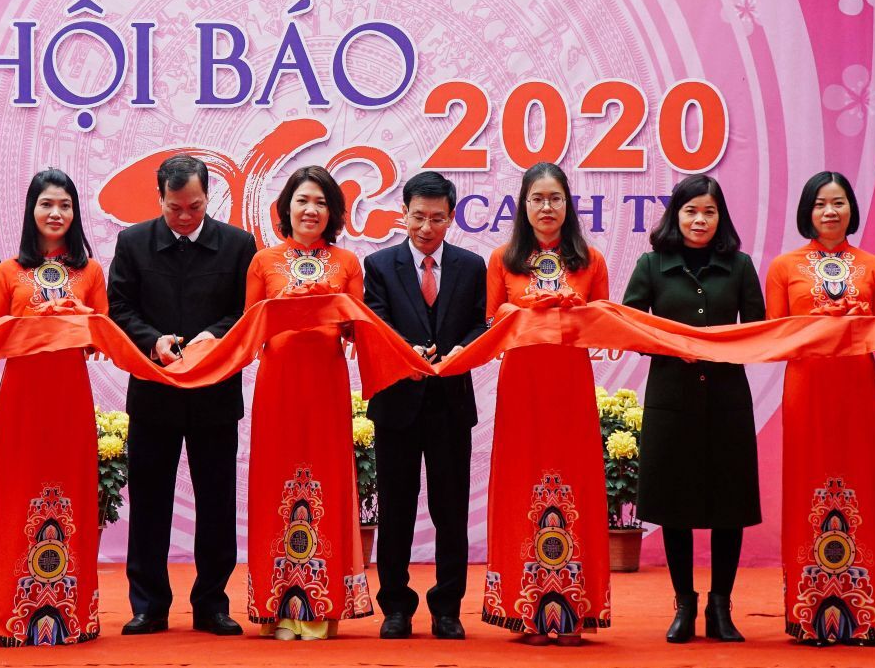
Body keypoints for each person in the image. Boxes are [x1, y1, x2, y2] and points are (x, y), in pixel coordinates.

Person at [108, 155, 256, 637]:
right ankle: (149, 605)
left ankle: (212, 603)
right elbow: (118, 307)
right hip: (155, 391)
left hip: (215, 394)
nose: (185, 217)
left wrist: (214, 335)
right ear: (160, 199)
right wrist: (153, 341)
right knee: (150, 502)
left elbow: (248, 310)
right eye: (175, 208)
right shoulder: (133, 243)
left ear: (208, 196)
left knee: (216, 502)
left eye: (194, 206)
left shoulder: (237, 245)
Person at [622, 174, 764, 644]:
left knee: (730, 506)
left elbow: (758, 330)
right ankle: (684, 604)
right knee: (674, 505)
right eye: (690, 211)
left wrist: (722, 347)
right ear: (676, 215)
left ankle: (721, 606)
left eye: (709, 211)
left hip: (727, 400)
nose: (700, 220)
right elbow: (630, 326)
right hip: (672, 400)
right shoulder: (651, 264)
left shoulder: (740, 265)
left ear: (720, 217)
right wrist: (670, 344)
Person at [482, 162, 611, 646]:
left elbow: (604, 326)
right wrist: (516, 310)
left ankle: (573, 610)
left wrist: (581, 311)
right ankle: (527, 610)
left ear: (567, 204)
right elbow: (490, 324)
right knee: (522, 486)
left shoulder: (590, 260)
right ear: (523, 205)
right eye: (537, 198)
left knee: (575, 486)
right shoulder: (503, 259)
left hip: (571, 388)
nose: (546, 207)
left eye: (555, 198)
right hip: (522, 389)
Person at [0, 170, 107, 646]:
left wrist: (81, 318)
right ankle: (9, 614)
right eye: (47, 204)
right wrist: (35, 322)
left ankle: (72, 613)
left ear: (75, 213)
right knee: (17, 494)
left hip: (70, 400)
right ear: (31, 210)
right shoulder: (7, 272)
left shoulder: (90, 272)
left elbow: (102, 339)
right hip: (22, 401)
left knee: (71, 493)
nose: (56, 213)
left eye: (65, 205)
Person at [244, 166, 373, 640]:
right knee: (274, 485)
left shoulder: (347, 262)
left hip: (326, 386)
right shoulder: (263, 261)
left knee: (327, 484)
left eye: (320, 202)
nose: (310, 210)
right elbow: (250, 328)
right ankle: (276, 607)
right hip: (278, 385)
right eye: (302, 200)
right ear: (286, 207)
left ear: (333, 211)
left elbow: (357, 329)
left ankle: (321, 606)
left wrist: (331, 308)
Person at [765, 171, 875, 645]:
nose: (830, 211)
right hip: (808, 390)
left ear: (851, 209)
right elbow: (773, 335)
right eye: (820, 203)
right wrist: (815, 325)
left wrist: (861, 322)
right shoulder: (784, 267)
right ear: (807, 211)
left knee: (863, 486)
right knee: (808, 485)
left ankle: (865, 615)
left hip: (858, 392)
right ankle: (809, 613)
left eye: (838, 202)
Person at [362, 171, 486, 641]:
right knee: (395, 509)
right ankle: (395, 606)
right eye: (418, 217)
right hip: (397, 404)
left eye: (437, 218)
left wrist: (461, 352)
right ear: (404, 214)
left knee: (450, 511)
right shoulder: (379, 264)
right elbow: (374, 322)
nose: (426, 228)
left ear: (451, 217)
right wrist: (405, 354)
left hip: (451, 404)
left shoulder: (471, 266)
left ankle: (447, 608)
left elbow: (481, 324)